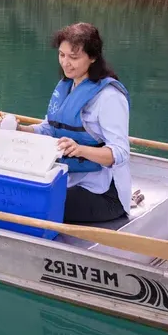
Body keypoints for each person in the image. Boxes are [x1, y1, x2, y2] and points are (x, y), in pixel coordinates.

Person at [30, 22, 132, 224]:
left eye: (74, 57)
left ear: (93, 57)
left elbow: (121, 153)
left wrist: (80, 150)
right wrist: (19, 128)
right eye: (62, 55)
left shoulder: (109, 97)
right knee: (24, 194)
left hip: (105, 194)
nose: (65, 63)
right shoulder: (67, 86)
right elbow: (49, 129)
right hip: (67, 179)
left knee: (36, 205)